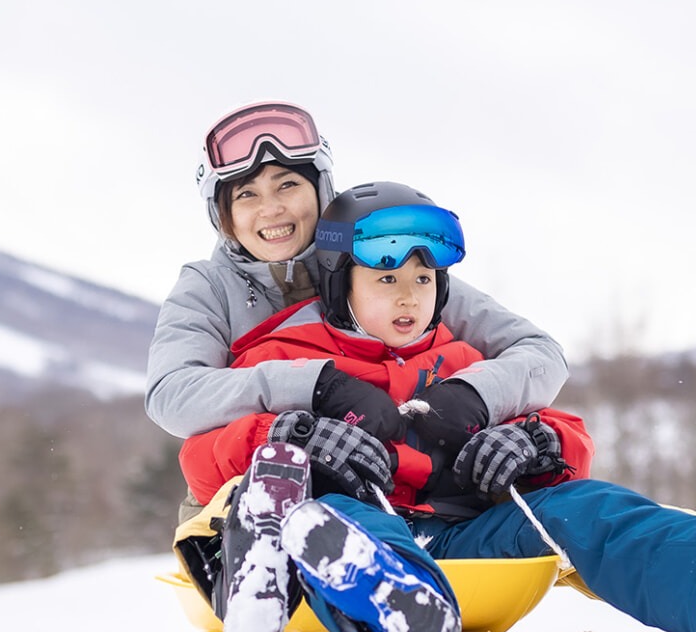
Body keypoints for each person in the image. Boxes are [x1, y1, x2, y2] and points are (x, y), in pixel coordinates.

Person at [173, 180, 696, 632]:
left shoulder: (465, 362)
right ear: (335, 282)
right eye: (385, 280)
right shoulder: (287, 357)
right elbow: (203, 459)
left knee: (586, 509)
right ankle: (388, 591)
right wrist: (290, 433)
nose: (408, 297)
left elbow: (570, 437)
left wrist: (533, 441)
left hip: (466, 535)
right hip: (362, 519)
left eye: (423, 280)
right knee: (340, 517)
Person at [146, 101, 569, 533]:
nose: (271, 209)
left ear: (320, 189)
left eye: (287, 185)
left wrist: (475, 393)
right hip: (249, 483)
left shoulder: (377, 258)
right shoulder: (210, 287)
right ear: (224, 215)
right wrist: (317, 389)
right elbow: (172, 396)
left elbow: (541, 354)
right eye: (246, 195)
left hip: (392, 490)